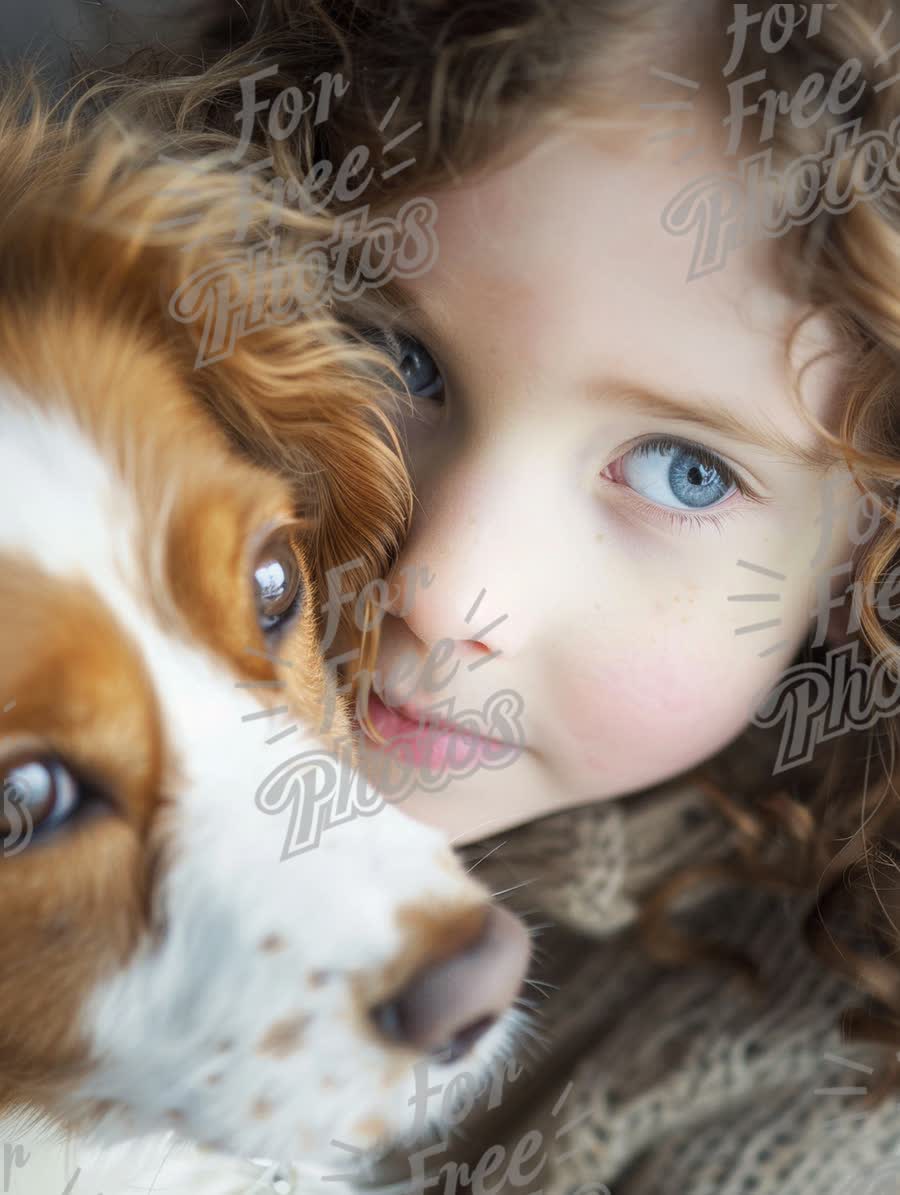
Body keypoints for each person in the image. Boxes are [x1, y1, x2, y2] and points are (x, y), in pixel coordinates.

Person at [86, 0, 900, 1189]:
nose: (438, 586)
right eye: (394, 355)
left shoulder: (814, 1114)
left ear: (861, 561)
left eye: (684, 470)